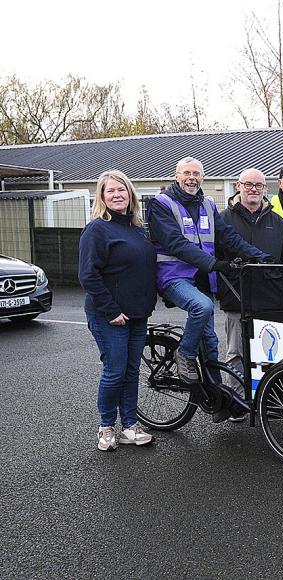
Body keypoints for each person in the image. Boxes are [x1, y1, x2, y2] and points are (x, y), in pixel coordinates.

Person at [147, 157, 268, 385]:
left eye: (196, 174)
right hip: (174, 276)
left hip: (203, 279)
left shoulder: (208, 204)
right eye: (187, 173)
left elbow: (228, 237)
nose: (192, 178)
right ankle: (185, 353)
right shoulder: (161, 204)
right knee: (202, 307)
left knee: (211, 342)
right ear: (176, 176)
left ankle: (216, 396)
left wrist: (258, 255)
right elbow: (176, 244)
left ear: (202, 177)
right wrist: (214, 264)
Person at [79, 170, 157, 451]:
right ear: (101, 196)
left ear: (130, 194)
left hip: (137, 313)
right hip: (108, 315)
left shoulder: (136, 228)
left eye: (121, 190)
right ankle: (106, 427)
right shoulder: (97, 229)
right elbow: (88, 275)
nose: (117, 195)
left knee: (132, 371)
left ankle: (130, 427)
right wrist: (111, 310)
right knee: (115, 370)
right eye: (110, 191)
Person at [217, 168, 283, 412]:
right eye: (248, 184)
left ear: (265, 189)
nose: (253, 189)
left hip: (270, 301)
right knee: (236, 354)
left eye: (258, 185)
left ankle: (267, 401)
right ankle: (237, 403)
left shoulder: (277, 222)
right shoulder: (223, 219)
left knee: (270, 355)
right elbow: (216, 258)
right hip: (236, 298)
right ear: (238, 186)